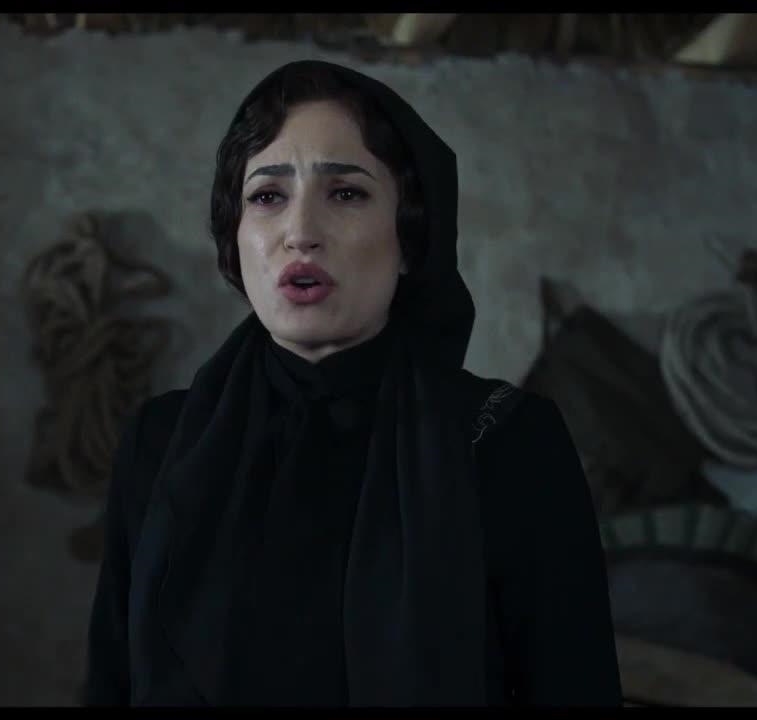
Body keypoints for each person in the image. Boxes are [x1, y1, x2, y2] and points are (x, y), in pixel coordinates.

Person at [83, 59, 623, 707]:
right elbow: (111, 686)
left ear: (410, 237)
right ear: (233, 237)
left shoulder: (506, 445)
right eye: (267, 196)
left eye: (345, 193)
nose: (301, 234)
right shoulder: (163, 444)